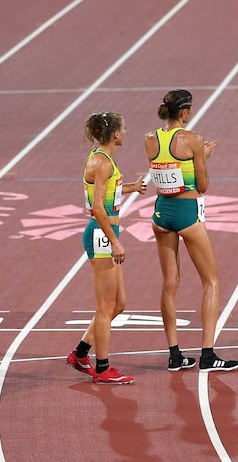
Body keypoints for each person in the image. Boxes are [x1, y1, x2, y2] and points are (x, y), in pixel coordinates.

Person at [144, 90, 238, 372]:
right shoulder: (193, 139)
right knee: (211, 283)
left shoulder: (149, 139)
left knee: (169, 285)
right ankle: (208, 356)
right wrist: (204, 156)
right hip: (187, 214)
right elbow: (203, 184)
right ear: (184, 113)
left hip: (161, 214)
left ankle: (175, 355)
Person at [66, 111, 146, 384]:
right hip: (101, 234)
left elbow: (104, 193)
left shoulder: (104, 159)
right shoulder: (102, 162)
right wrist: (114, 240)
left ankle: (80, 353)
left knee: (118, 304)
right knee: (104, 306)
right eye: (123, 129)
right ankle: (102, 367)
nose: (126, 132)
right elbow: (97, 206)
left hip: (106, 231)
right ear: (115, 134)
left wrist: (131, 187)